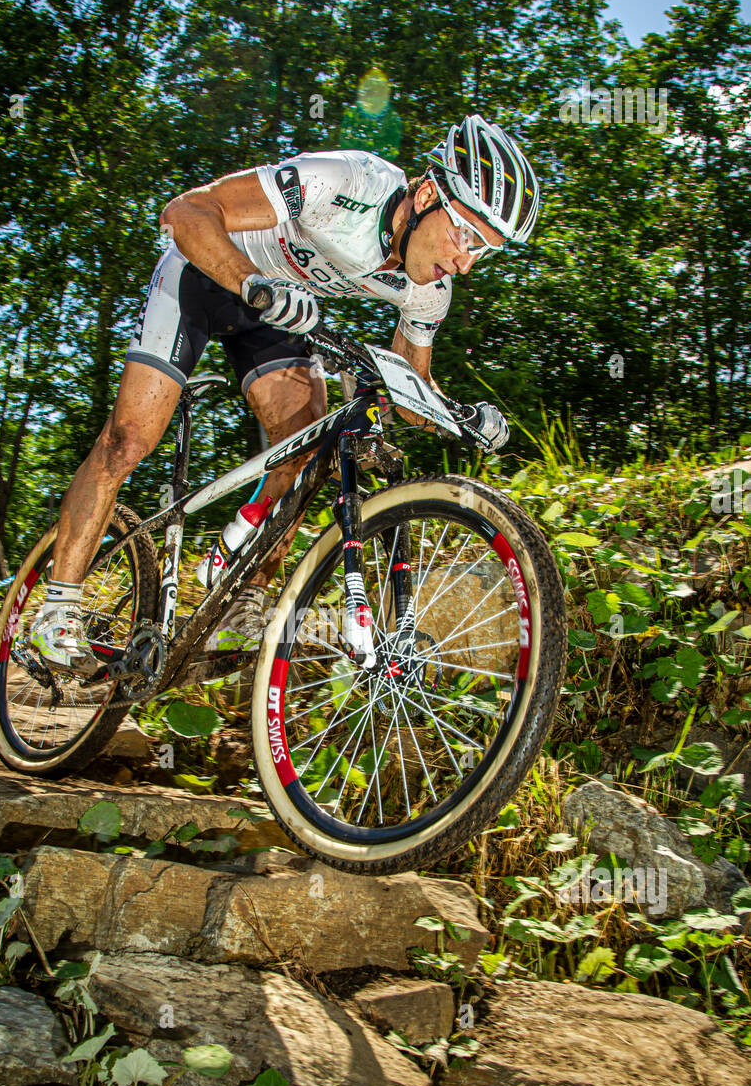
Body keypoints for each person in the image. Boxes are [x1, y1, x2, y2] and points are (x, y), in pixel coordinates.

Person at [29, 114, 540, 674]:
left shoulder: (430, 288)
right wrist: (250, 282)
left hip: (277, 315)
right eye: (465, 235)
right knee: (128, 440)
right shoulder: (344, 182)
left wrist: (458, 418)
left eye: (482, 251)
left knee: (305, 449)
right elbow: (184, 213)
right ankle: (57, 609)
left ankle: (240, 595)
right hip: (206, 274)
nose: (464, 262)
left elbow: (407, 394)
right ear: (425, 194)